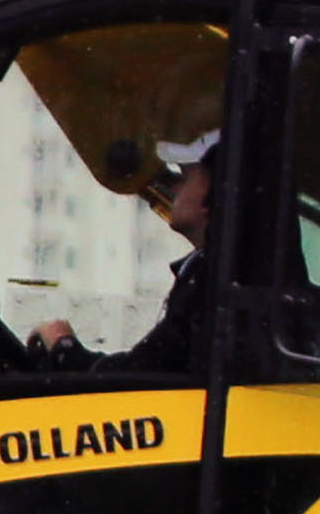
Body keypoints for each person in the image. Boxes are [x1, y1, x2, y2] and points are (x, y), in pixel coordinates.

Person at [31, 128, 222, 370]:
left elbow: (142, 374)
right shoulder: (215, 273)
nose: (173, 189)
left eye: (184, 179)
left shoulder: (209, 280)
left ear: (212, 194)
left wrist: (63, 347)